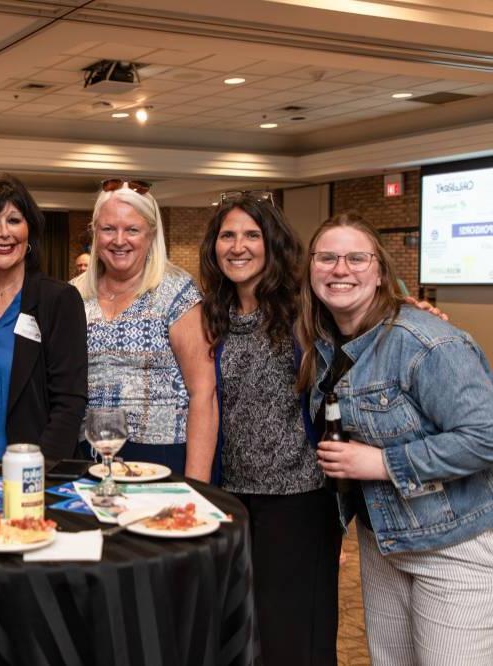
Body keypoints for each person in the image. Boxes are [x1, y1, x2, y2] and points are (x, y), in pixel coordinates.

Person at [298, 212, 493, 666]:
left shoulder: (425, 341)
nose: (340, 269)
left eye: (356, 258)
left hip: (451, 545)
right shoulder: (325, 339)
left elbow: (485, 435)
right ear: (310, 270)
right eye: (326, 258)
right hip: (382, 540)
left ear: (381, 271)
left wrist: (385, 463)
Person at [199, 193, 341, 666]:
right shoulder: (212, 317)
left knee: (293, 635)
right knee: (239, 631)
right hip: (234, 498)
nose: (238, 247)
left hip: (299, 496)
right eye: (227, 236)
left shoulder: (306, 309)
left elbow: (365, 322)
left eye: (252, 235)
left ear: (272, 243)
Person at [72, 179, 215, 479]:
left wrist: (197, 485)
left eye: (132, 230)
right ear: (95, 232)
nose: (119, 240)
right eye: (108, 229)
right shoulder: (73, 295)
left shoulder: (176, 292)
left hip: (160, 455)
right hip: (88, 453)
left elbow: (203, 393)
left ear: (151, 235)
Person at [0, 174, 87, 461]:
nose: (3, 233)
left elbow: (69, 404)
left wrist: (37, 473)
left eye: (14, 220)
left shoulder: (57, 300)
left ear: (29, 229)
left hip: (21, 472)